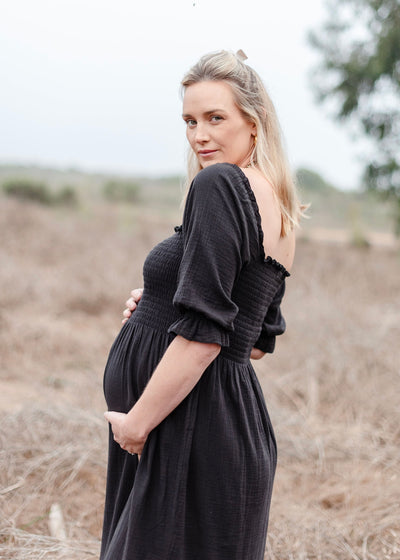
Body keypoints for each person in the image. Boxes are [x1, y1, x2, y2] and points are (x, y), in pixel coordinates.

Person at [101, 50, 303, 560]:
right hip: (222, 423)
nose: (199, 135)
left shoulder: (219, 185)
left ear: (253, 124)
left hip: (186, 425)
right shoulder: (277, 204)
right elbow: (252, 343)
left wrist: (137, 423)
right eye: (190, 121)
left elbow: (206, 336)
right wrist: (166, 301)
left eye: (216, 118)